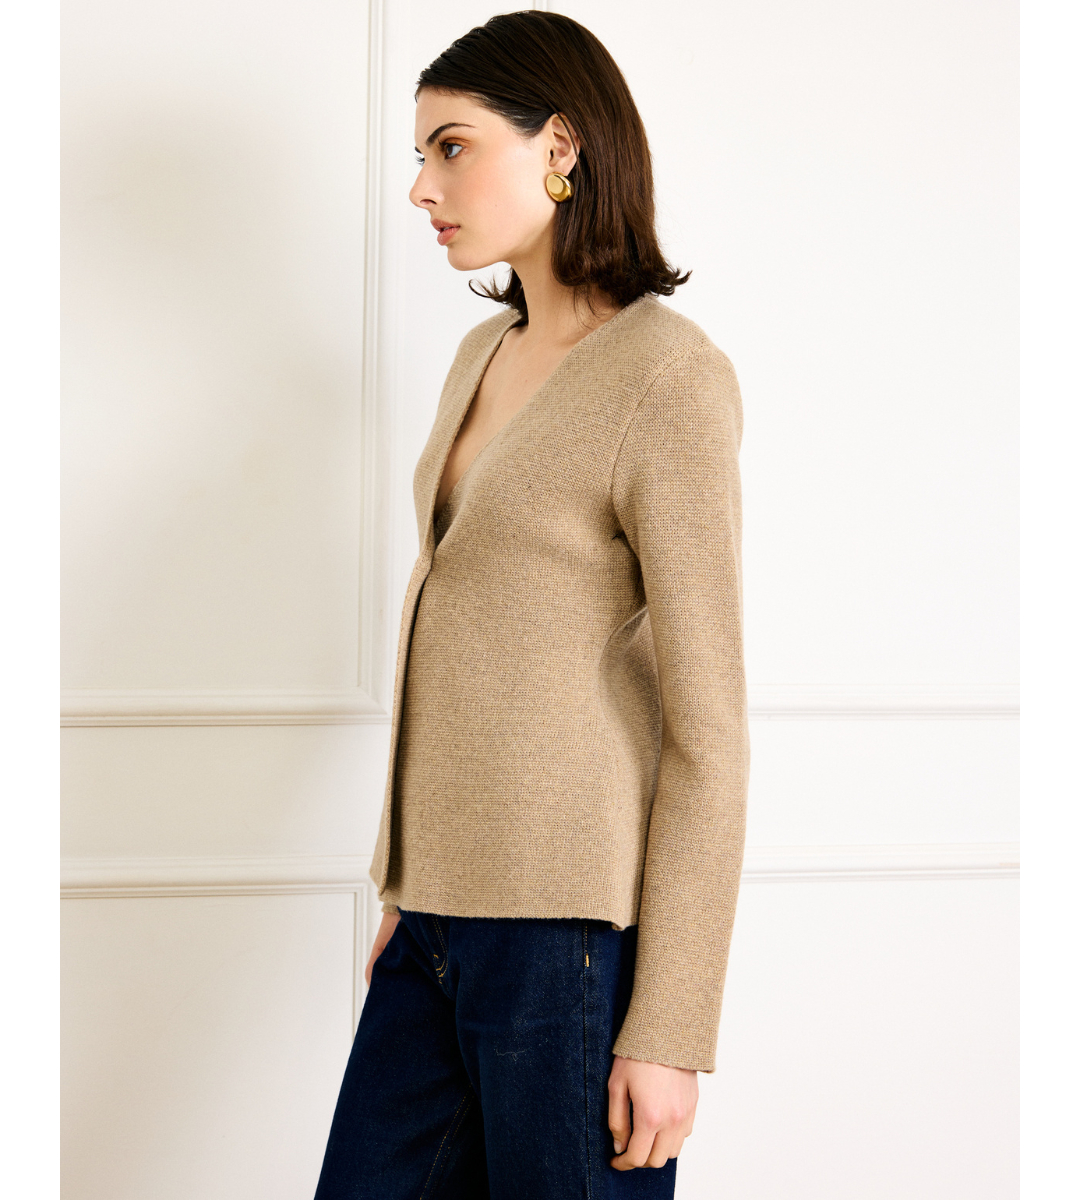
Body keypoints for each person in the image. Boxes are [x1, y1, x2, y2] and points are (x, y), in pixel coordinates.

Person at [313, 11, 749, 1199]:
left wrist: (671, 1026)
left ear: (560, 146)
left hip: (568, 944)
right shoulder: (482, 355)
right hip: (435, 924)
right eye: (420, 155)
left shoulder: (668, 376)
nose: (422, 186)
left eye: (451, 148)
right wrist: (408, 886)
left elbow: (709, 732)